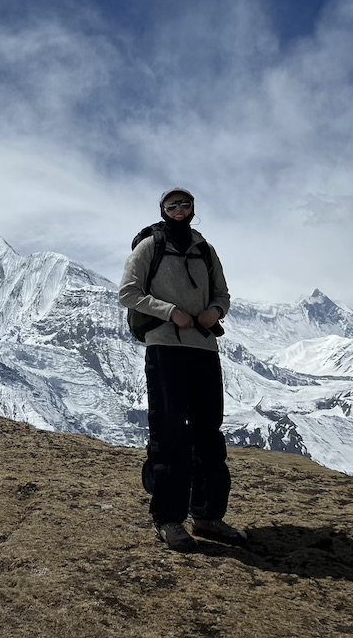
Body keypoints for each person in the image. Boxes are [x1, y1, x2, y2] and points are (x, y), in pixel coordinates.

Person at [118, 187, 247, 551]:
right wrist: (169, 312)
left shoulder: (205, 249)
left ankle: (208, 515)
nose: (179, 209)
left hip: (204, 347)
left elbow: (223, 293)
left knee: (209, 433)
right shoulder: (149, 247)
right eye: (172, 205)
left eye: (184, 204)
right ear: (162, 209)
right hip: (165, 349)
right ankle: (168, 519)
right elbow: (128, 292)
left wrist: (215, 313)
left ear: (193, 208)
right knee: (169, 432)